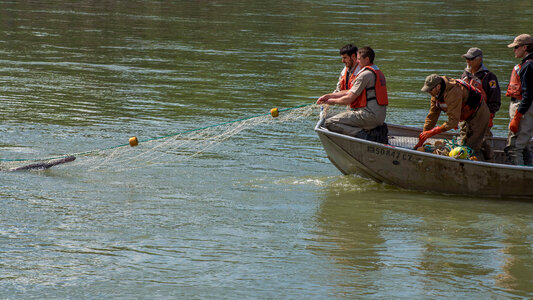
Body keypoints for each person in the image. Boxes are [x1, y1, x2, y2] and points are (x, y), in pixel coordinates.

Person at [316, 46, 388, 141]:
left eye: (359, 59)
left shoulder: (365, 75)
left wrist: (330, 101)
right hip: (379, 117)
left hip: (369, 116)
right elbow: (350, 91)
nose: (357, 62)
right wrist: (328, 96)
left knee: (330, 122)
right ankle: (371, 131)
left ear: (367, 59)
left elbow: (349, 98)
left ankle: (367, 137)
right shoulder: (377, 72)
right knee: (334, 118)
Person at [416, 74, 490, 157]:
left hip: (479, 113)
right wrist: (422, 139)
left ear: (438, 86)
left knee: (472, 146)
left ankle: (487, 161)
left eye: (430, 90)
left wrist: (433, 131)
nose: (429, 92)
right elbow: (432, 117)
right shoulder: (435, 95)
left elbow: (453, 122)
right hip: (464, 114)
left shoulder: (453, 91)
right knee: (463, 144)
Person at [460, 47, 501, 160]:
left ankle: (490, 163)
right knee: (464, 140)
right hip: (466, 116)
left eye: (470, 59)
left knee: (485, 142)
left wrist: (490, 116)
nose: (468, 61)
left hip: (483, 116)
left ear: (479, 60)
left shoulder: (489, 77)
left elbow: (495, 99)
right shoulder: (464, 75)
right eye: (466, 58)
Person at [505, 34, 533, 165]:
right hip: (528, 109)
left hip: (525, 109)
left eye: (516, 47)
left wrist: (517, 117)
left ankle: (518, 177)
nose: (514, 50)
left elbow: (528, 95)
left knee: (515, 147)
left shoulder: (528, 66)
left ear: (525, 47)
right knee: (526, 145)